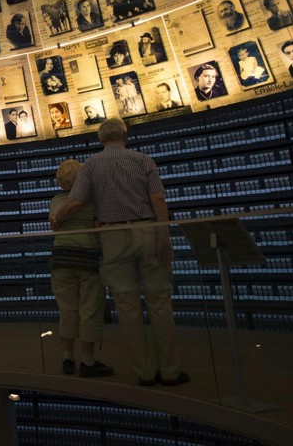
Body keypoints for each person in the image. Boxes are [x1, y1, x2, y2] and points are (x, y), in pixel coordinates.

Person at [50, 118, 187, 387]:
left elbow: (76, 201)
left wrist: (56, 219)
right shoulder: (143, 160)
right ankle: (170, 371)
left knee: (127, 307)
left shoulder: (90, 165)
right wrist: (163, 238)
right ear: (125, 136)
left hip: (112, 238)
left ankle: (145, 372)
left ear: (101, 140)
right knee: (159, 304)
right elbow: (158, 199)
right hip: (147, 232)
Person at [49, 159, 112, 377]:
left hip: (61, 259)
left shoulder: (55, 201)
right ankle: (88, 360)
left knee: (67, 310)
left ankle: (67, 357)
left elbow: (54, 225)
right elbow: (98, 230)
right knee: (90, 310)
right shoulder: (92, 201)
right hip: (88, 258)